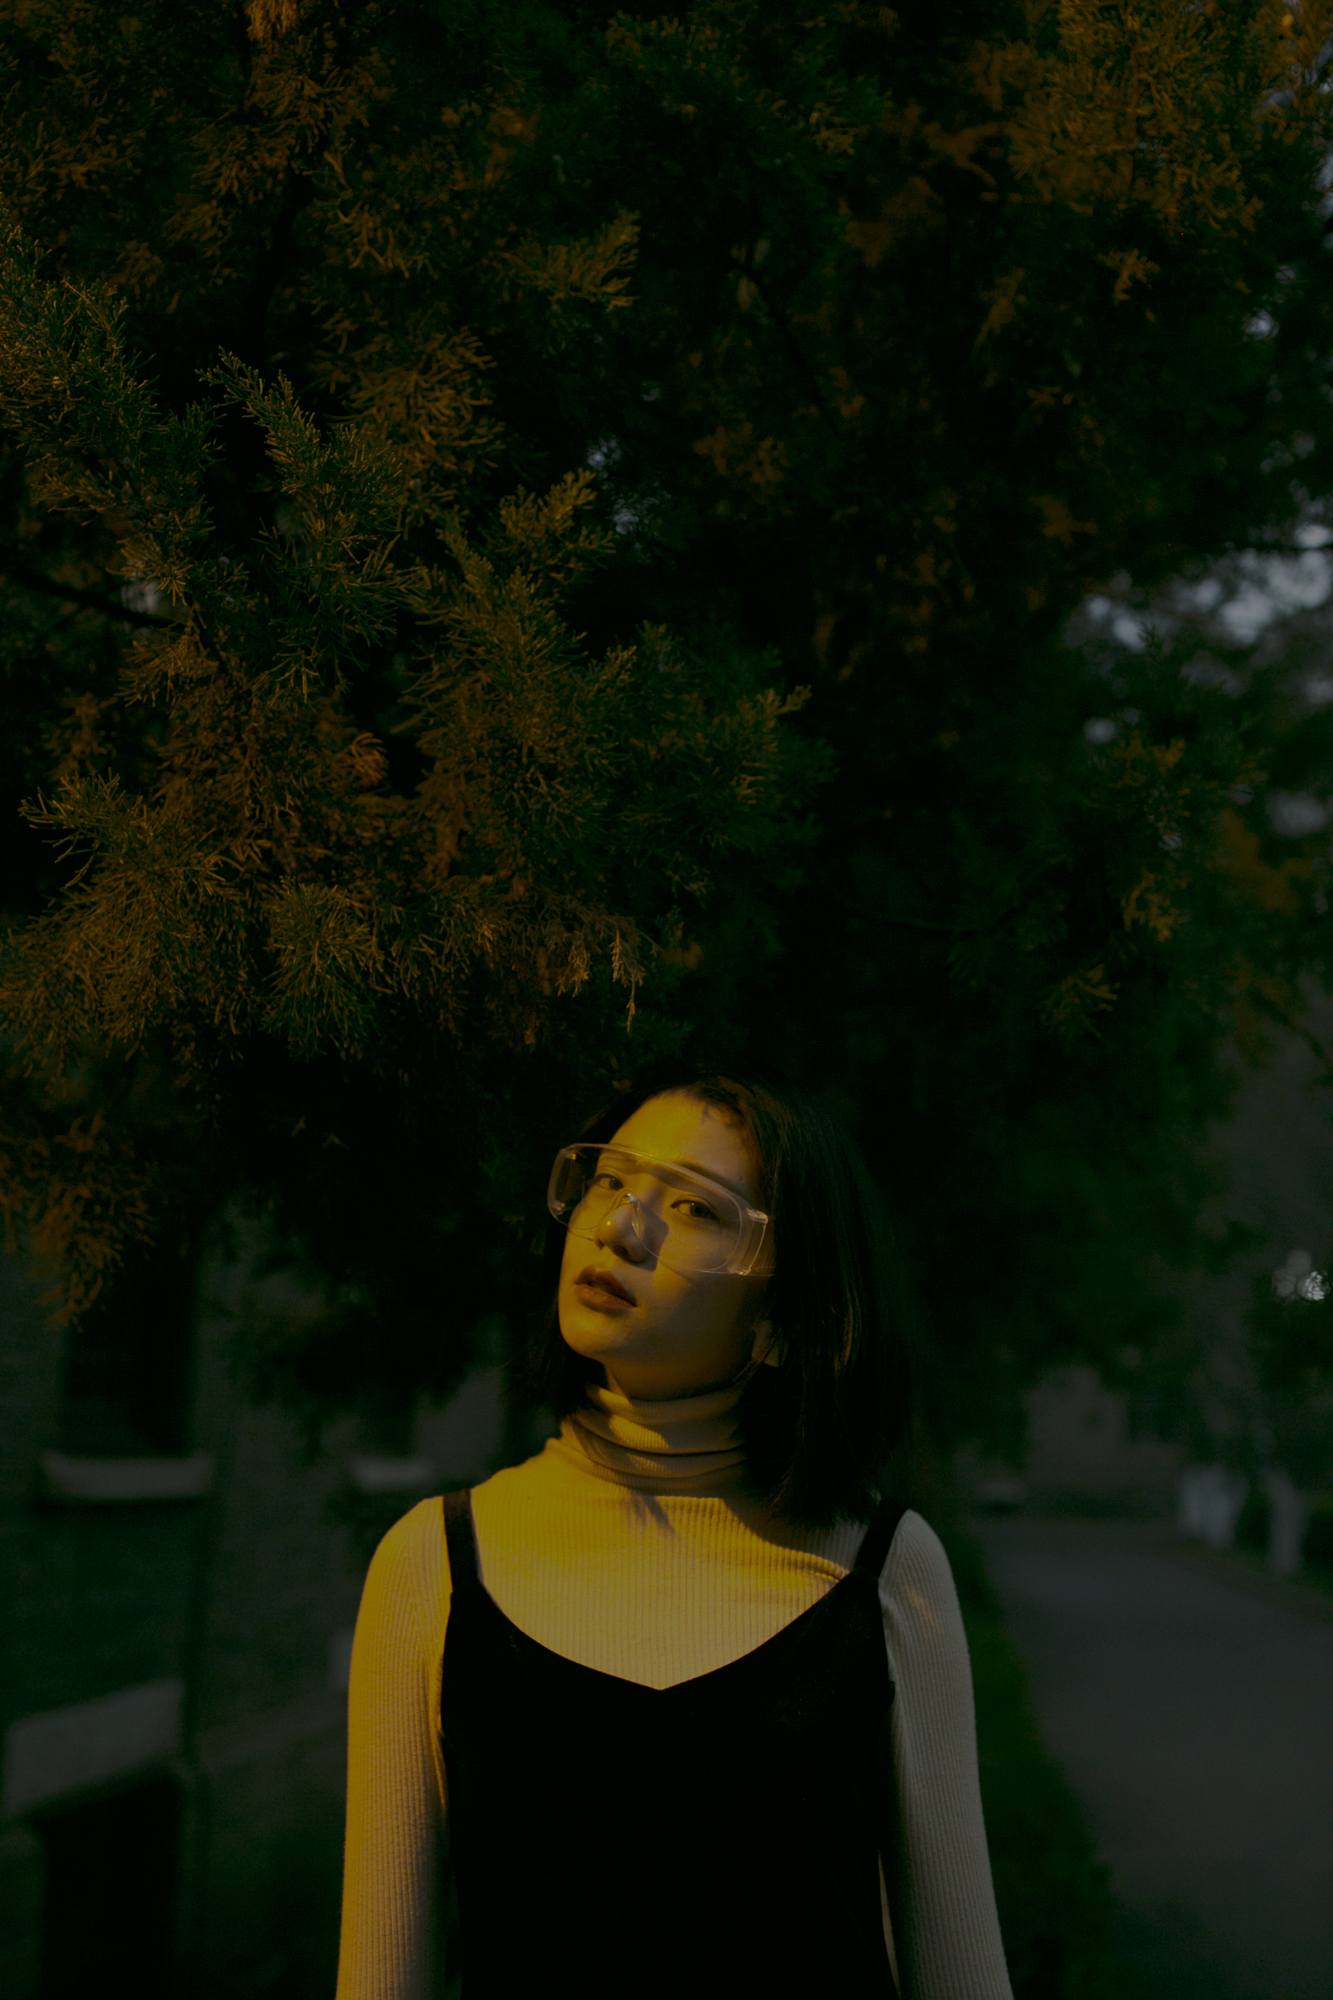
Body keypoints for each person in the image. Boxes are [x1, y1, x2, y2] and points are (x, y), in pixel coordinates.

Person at [335, 1073, 1013, 1999]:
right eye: (609, 1180)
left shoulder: (883, 1567)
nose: (620, 1227)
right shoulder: (435, 1563)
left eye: (694, 1207)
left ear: (786, 1309)